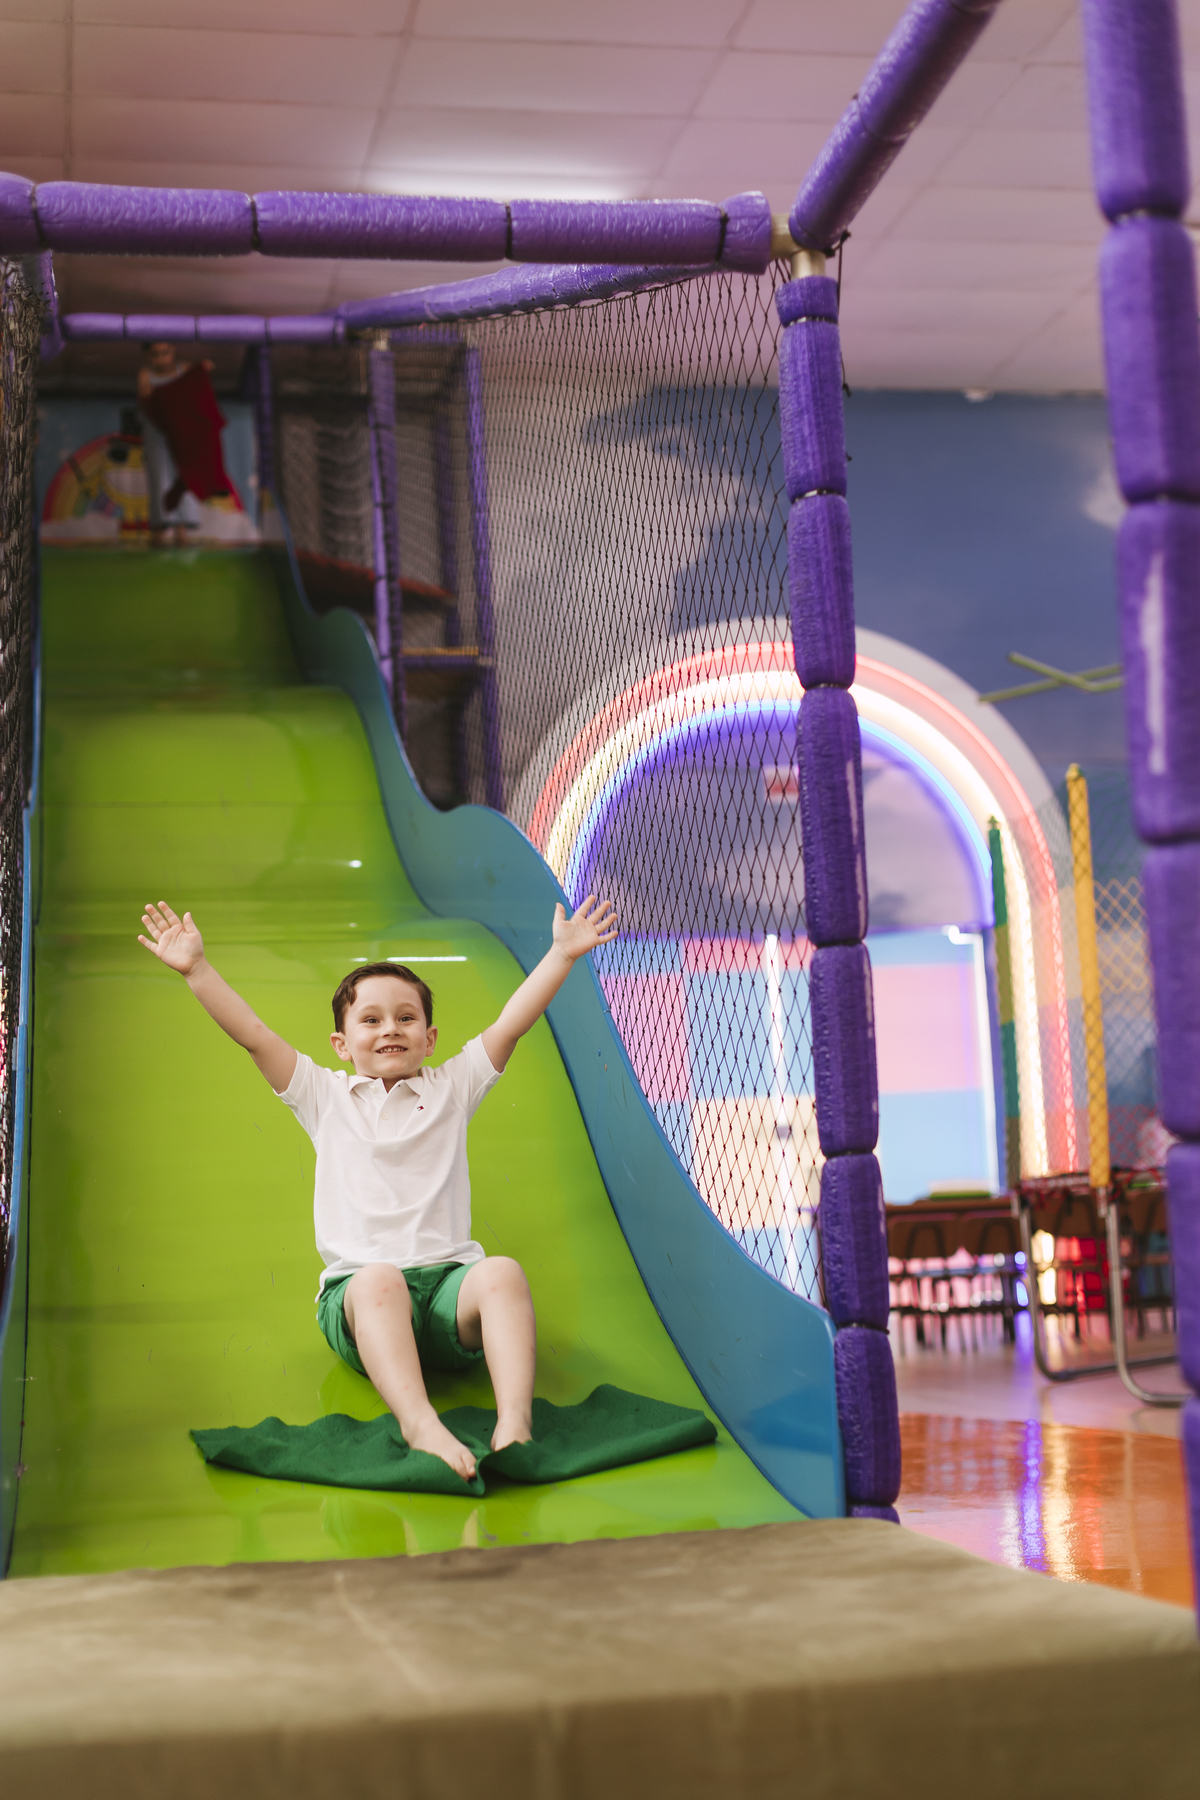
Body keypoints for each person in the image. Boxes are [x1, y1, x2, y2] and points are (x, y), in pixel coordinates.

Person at [137, 896, 618, 1481]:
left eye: (405, 1017)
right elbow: (255, 1036)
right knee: (379, 1279)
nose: (390, 1027)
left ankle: (514, 1424)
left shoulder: (452, 1088)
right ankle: (421, 1425)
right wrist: (197, 970)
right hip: (362, 1302)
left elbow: (511, 1024)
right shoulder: (324, 1096)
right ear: (341, 1044)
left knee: (502, 1273)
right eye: (370, 1020)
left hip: (447, 1295)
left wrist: (561, 955)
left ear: (430, 1038)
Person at [137, 342, 214, 545]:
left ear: (173, 352)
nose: (161, 358)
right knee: (159, 475)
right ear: (147, 355)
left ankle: (182, 528)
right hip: (157, 429)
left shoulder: (184, 369)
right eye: (155, 354)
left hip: (181, 429)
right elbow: (144, 402)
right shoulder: (145, 375)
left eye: (165, 353)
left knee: (184, 474)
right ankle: (160, 527)